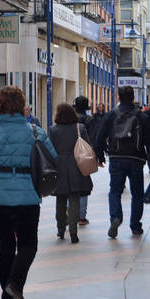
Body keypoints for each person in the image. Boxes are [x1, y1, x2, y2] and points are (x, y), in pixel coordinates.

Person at [0, 86, 57, 299]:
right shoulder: (36, 132)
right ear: (22, 106)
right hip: (27, 196)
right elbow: (53, 160)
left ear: (0, 106)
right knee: (28, 244)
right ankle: (15, 285)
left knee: (5, 246)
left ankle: (7, 297)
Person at [94, 86, 150, 238]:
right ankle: (135, 226)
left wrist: (99, 156)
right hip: (136, 159)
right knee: (137, 193)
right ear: (133, 98)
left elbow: (100, 136)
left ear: (118, 98)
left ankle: (116, 217)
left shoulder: (111, 115)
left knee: (115, 191)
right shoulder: (141, 116)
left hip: (116, 158)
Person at [49, 103, 94, 244]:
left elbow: (49, 149)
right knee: (74, 199)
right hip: (76, 165)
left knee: (60, 199)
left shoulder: (53, 130)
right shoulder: (79, 128)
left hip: (59, 166)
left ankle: (60, 229)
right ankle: (73, 232)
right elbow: (87, 145)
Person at [73, 96, 94, 226]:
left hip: (69, 156)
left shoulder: (70, 118)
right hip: (84, 155)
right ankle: (82, 216)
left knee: (70, 186)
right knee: (83, 185)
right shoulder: (89, 120)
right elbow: (92, 138)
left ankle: (71, 213)